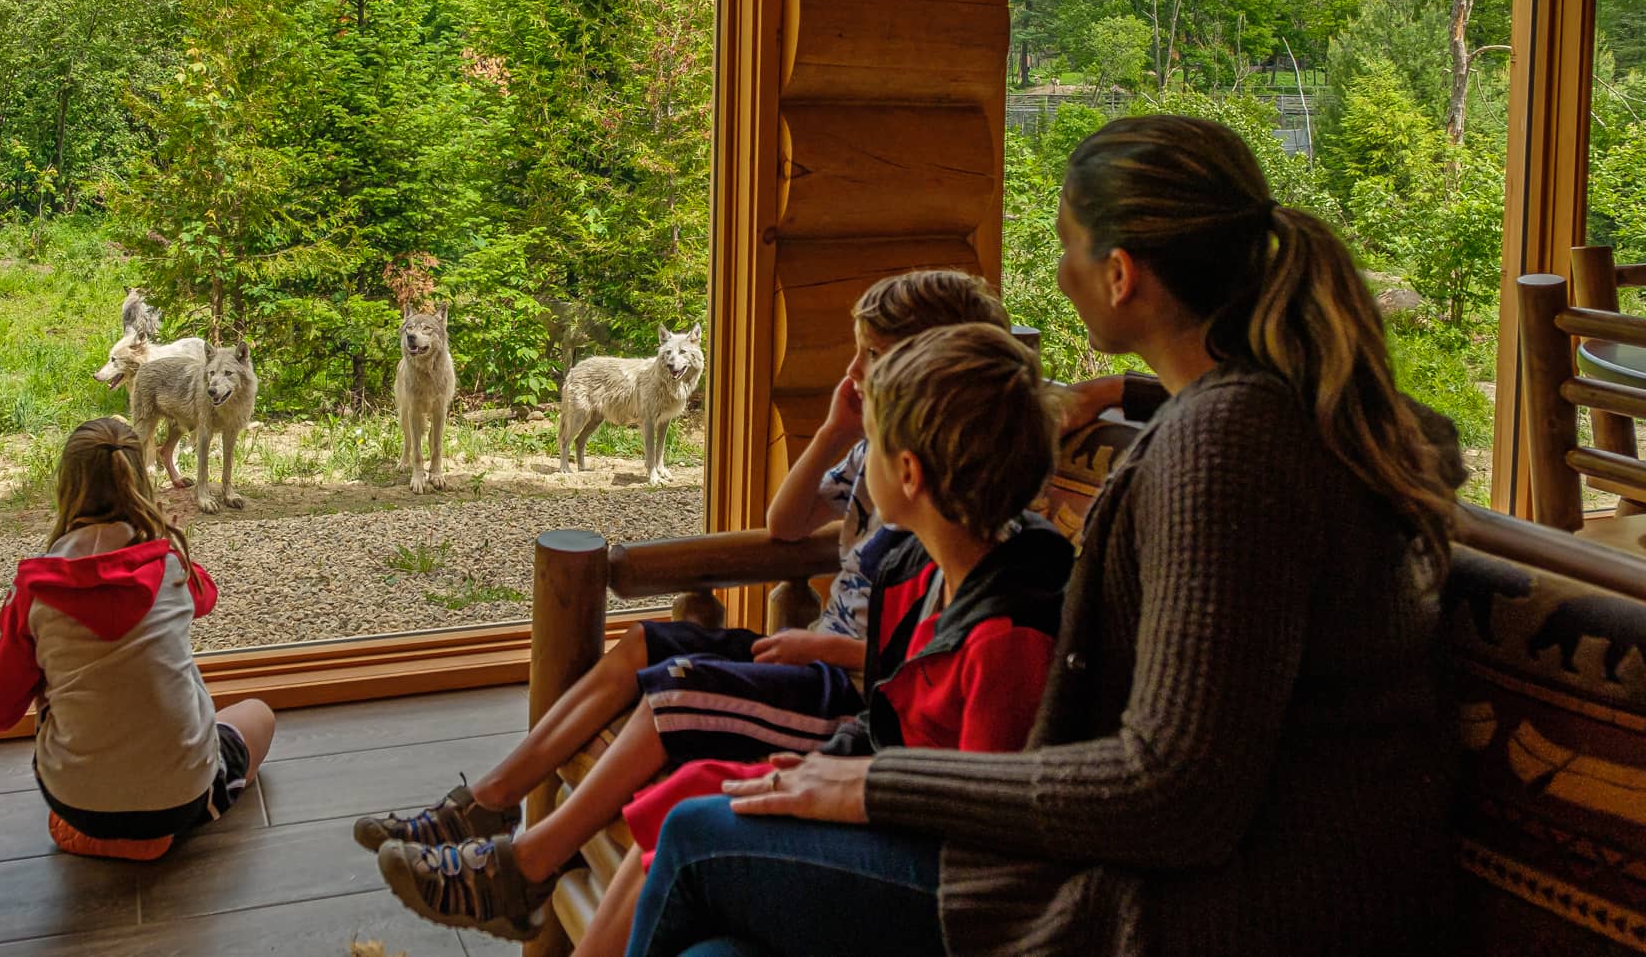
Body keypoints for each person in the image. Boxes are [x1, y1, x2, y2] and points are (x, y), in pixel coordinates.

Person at [627, 115, 1466, 957]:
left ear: (1120, 274)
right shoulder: (1267, 412)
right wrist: (1133, 393)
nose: (1060, 275)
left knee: (702, 837)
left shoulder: (1227, 447)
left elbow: (1172, 794)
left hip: (1198, 909)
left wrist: (877, 784)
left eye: (1067, 246)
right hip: (1151, 869)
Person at [352, 270, 1008, 939]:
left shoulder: (958, 500)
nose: (852, 370)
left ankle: (523, 866)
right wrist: (837, 430)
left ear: (926, 369)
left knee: (675, 695)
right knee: (640, 644)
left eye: (870, 356)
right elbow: (785, 525)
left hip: (843, 688)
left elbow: (921, 667)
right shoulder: (878, 455)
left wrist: (827, 647)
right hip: (820, 662)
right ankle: (484, 805)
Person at [564, 322, 1073, 956]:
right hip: (886, 808)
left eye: (874, 438)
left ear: (908, 472)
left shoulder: (1007, 636)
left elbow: (982, 826)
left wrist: (843, 795)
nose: (861, 454)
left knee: (695, 828)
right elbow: (889, 716)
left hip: (948, 893)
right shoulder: (918, 574)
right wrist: (829, 760)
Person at [0, 417, 276, 861]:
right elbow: (206, 596)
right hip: (181, 795)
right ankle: (166, 823)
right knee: (259, 715)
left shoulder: (34, 587)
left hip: (76, 798)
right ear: (140, 480)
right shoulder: (168, 564)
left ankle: (102, 826)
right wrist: (164, 534)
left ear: (66, 488)